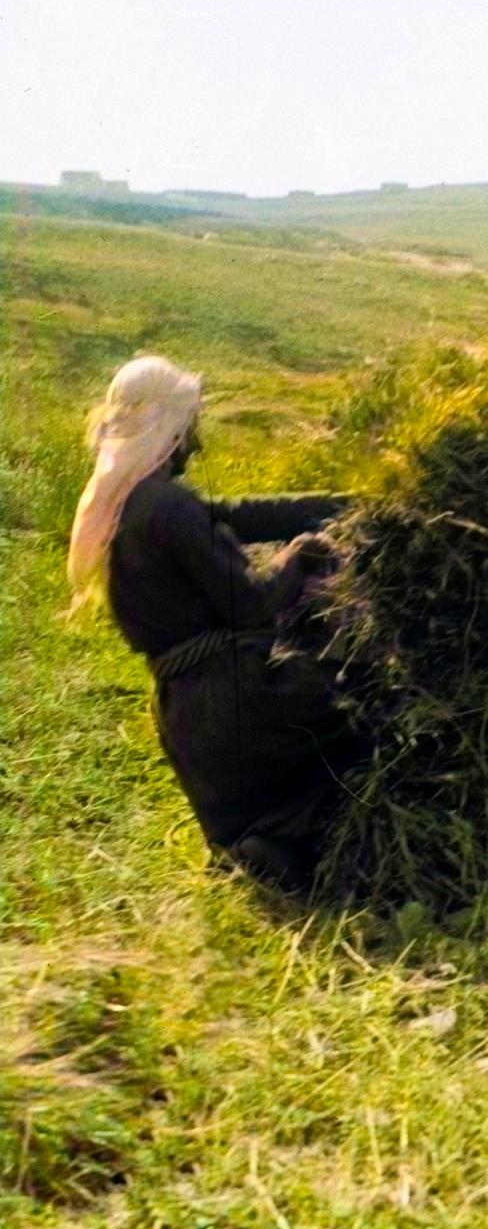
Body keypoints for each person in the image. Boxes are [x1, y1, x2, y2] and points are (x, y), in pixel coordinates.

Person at [67, 355, 358, 890]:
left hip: (187, 719)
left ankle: (265, 851)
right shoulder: (168, 506)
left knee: (264, 825)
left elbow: (238, 514)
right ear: (168, 428)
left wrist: (342, 505)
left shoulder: (123, 505)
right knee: (360, 708)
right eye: (189, 427)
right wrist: (297, 556)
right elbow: (250, 604)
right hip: (240, 699)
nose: (195, 444)